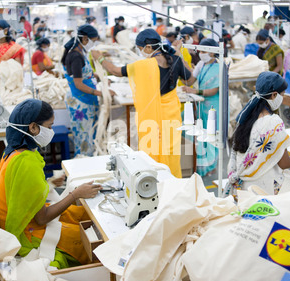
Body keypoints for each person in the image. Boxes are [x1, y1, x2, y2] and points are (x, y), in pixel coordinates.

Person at [0, 99, 102, 269]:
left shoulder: (13, 153)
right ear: (33, 128)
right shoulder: (26, 163)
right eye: (49, 127)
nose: (51, 131)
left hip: (20, 221)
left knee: (80, 214)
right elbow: (42, 218)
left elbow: (20, 191)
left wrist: (48, 184)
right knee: (85, 242)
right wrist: (76, 194)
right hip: (25, 234)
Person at [91, 29, 196, 178]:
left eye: (140, 49)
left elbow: (115, 71)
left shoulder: (142, 65)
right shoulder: (175, 60)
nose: (140, 52)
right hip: (172, 116)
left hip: (151, 118)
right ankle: (173, 183)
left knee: (151, 151)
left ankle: (153, 184)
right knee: (171, 153)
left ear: (148, 47)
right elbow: (190, 80)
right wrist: (179, 54)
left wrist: (100, 58)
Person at [226, 71, 290, 197]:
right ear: (274, 95)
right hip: (260, 187)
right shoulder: (273, 122)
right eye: (282, 95)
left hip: (242, 185)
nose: (282, 98)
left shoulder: (246, 116)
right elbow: (285, 163)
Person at [62, 24, 114, 157]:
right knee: (84, 139)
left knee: (88, 136)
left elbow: (80, 74)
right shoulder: (76, 56)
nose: (94, 44)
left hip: (82, 99)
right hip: (81, 102)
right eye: (93, 40)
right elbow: (78, 84)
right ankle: (84, 167)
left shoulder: (79, 52)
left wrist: (99, 77)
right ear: (85, 39)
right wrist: (102, 93)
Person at [181, 38, 220, 176]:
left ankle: (211, 167)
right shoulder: (201, 64)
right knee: (202, 136)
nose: (201, 53)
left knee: (211, 136)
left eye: (204, 51)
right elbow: (191, 80)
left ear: (212, 52)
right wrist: (183, 65)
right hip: (202, 103)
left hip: (213, 106)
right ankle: (202, 165)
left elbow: (214, 90)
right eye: (201, 51)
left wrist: (194, 91)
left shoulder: (219, 67)